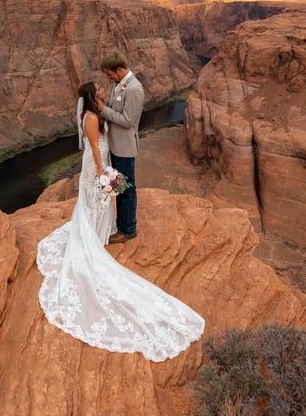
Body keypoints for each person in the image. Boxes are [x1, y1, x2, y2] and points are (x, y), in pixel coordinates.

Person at [36, 80, 205, 362]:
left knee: (100, 202)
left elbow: (114, 122)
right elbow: (93, 143)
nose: (103, 90)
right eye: (99, 89)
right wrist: (103, 171)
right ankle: (93, 233)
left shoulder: (97, 111)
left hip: (103, 161)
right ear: (92, 96)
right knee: (95, 199)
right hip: (96, 163)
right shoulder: (90, 118)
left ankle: (100, 231)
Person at [97, 51, 144, 243]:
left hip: (124, 149)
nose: (109, 78)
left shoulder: (134, 89)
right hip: (116, 147)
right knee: (118, 187)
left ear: (119, 69)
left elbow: (127, 121)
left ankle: (128, 230)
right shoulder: (120, 84)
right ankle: (121, 224)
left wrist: (103, 110)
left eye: (110, 74)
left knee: (127, 190)